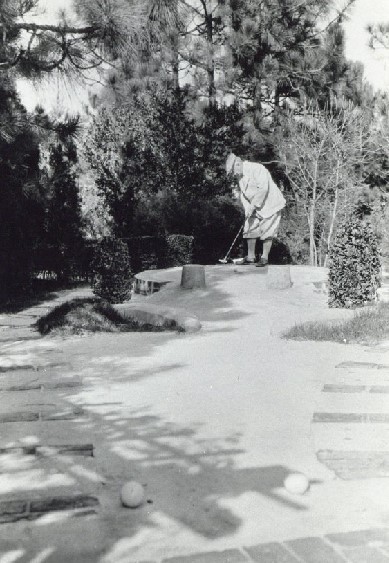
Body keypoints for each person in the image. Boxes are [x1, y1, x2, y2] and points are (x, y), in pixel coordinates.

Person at [226, 153, 286, 266]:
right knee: (249, 226)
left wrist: (253, 205)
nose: (234, 175)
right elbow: (243, 194)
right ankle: (250, 257)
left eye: (233, 171)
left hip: (270, 203)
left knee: (268, 229)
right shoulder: (240, 176)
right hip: (254, 204)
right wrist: (247, 209)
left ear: (238, 164)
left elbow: (263, 189)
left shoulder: (257, 169)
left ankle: (264, 258)